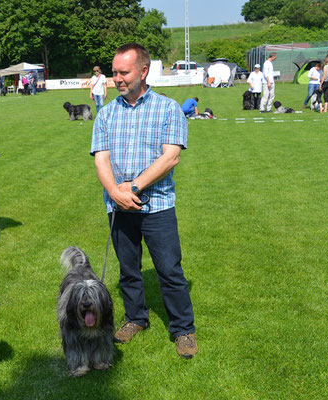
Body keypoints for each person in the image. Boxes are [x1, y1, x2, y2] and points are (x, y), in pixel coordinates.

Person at [90, 42, 197, 359]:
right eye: (114, 73)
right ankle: (136, 318)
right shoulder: (107, 113)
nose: (117, 78)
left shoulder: (168, 108)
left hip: (158, 206)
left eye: (124, 72)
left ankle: (183, 329)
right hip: (118, 206)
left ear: (144, 71)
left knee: (169, 271)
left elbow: (171, 158)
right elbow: (101, 159)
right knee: (128, 271)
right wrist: (114, 193)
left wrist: (131, 189)